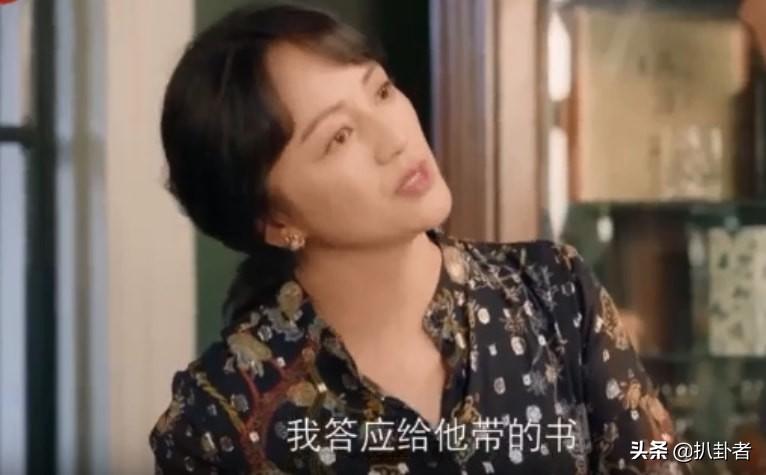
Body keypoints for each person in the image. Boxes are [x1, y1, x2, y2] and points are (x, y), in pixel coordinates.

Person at [149, 4, 685, 474]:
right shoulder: (220, 420)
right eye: (339, 137)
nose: (394, 139)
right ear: (273, 219)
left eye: (382, 92)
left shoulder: (553, 293)